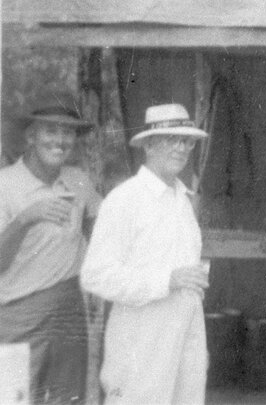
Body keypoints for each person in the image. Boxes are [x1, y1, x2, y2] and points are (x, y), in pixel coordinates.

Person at [80, 103, 210, 405]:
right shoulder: (124, 200)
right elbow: (95, 275)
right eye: (171, 139)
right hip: (139, 347)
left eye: (187, 141)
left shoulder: (183, 201)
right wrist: (166, 280)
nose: (181, 148)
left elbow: (189, 283)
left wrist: (197, 344)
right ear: (148, 145)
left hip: (183, 343)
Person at [0, 100, 100, 404]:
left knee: (68, 398)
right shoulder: (5, 185)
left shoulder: (78, 180)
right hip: (19, 312)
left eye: (68, 132)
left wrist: (96, 282)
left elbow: (99, 231)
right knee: (13, 397)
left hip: (69, 309)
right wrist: (26, 218)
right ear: (30, 136)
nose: (60, 140)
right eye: (51, 131)